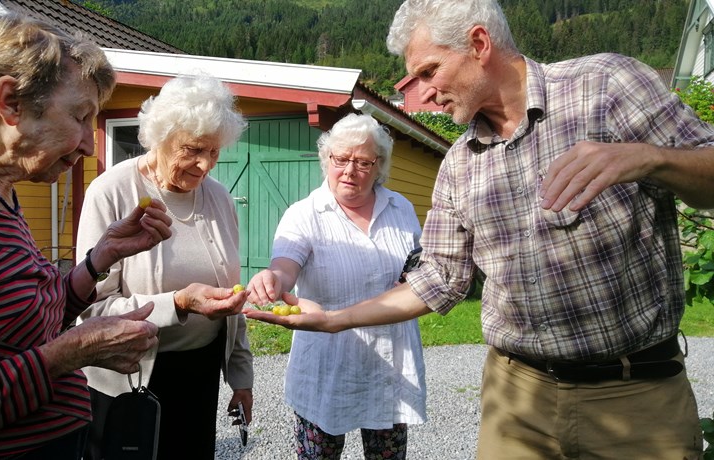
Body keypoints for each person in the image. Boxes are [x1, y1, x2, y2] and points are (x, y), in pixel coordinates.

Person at [245, 0, 714, 458]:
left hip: (634, 396)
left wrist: (651, 158)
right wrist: (332, 320)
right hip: (516, 397)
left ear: (478, 43)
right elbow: (440, 279)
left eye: (429, 72)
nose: (425, 93)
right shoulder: (458, 164)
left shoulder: (606, 86)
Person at [0, 12, 180, 459]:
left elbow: (16, 318)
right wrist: (68, 354)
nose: (88, 145)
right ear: (11, 102)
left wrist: (101, 258)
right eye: (80, 116)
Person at [76, 72, 254, 460]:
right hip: (129, 377)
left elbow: (231, 295)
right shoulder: (112, 192)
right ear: (160, 137)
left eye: (215, 151)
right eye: (193, 149)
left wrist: (241, 377)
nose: (206, 165)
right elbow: (92, 310)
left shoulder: (219, 199)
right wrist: (178, 304)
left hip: (200, 373)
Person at [247, 113, 427, 460]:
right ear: (326, 160)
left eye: (362, 161)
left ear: (379, 166)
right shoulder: (304, 214)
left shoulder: (400, 208)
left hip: (390, 365)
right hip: (329, 365)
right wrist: (273, 279)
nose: (349, 170)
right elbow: (285, 266)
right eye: (340, 159)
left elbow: (416, 265)